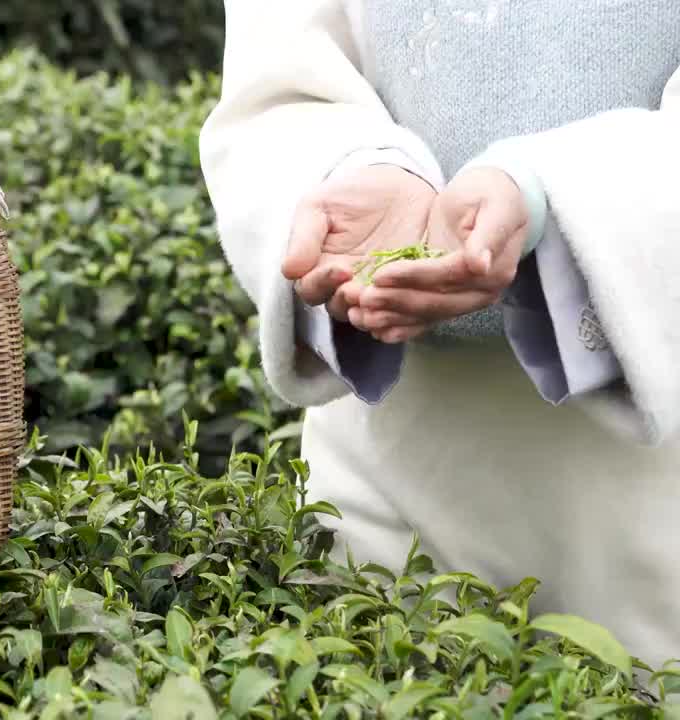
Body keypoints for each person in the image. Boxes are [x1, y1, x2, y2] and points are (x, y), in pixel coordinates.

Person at [198, 1, 680, 669]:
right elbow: (276, 87)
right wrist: (359, 170)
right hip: (383, 485)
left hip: (647, 503)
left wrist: (543, 195)